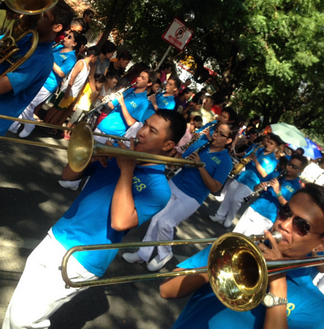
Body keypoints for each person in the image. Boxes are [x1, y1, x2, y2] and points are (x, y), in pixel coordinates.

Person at [2, 109, 186, 329]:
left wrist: (126, 170)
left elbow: (120, 222)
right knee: (16, 310)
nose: (142, 132)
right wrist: (86, 156)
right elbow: (68, 175)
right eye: (145, 124)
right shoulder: (117, 153)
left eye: (152, 131)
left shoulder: (159, 189)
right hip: (59, 234)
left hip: (82, 258)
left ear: (167, 145)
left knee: (25, 320)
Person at [160, 184, 324, 329]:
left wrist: (278, 281)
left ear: (322, 244)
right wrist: (221, 260)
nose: (284, 225)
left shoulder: (314, 304)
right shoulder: (233, 248)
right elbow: (167, 290)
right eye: (285, 212)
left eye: (301, 226)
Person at [122, 122, 235, 271]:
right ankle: (143, 254)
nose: (216, 135)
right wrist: (178, 157)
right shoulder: (202, 143)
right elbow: (182, 159)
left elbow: (215, 187)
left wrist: (200, 166)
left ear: (229, 141)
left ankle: (165, 254)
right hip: (176, 183)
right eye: (216, 131)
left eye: (221, 134)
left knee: (166, 222)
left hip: (193, 196)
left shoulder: (226, 161)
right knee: (156, 218)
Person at [0, 0, 74, 136]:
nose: (34, 14)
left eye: (43, 14)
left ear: (57, 27)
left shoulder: (42, 59)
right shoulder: (25, 37)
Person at [8, 30, 83, 138]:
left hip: (48, 84)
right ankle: (15, 125)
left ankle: (30, 124)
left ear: (74, 44)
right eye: (66, 35)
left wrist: (50, 59)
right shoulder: (58, 47)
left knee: (29, 104)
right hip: (38, 77)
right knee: (25, 102)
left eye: (69, 37)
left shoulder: (71, 58)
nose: (65, 37)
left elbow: (62, 73)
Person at [209, 133, 283, 228]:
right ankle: (219, 216)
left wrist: (255, 161)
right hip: (243, 175)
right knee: (229, 195)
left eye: (271, 143)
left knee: (236, 198)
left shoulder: (273, 160)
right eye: (268, 142)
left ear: (276, 147)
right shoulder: (259, 149)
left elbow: (264, 173)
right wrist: (247, 159)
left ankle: (229, 218)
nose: (268, 144)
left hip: (252, 182)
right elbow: (246, 157)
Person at [232, 154, 308, 236]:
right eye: (289, 164)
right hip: (254, 208)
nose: (290, 167)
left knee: (246, 241)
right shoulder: (275, 174)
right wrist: (260, 186)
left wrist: (278, 192)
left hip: (267, 217)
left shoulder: (298, 188)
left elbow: (289, 207)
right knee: (235, 235)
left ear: (301, 171)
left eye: (294, 167)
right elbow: (255, 188)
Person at [94, 68, 157, 141]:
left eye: (143, 78)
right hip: (103, 125)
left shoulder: (144, 102)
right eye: (139, 76)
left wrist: (122, 103)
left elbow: (131, 123)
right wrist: (108, 99)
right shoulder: (129, 90)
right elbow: (111, 105)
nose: (138, 79)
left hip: (112, 134)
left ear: (149, 83)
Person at [43, 44, 96, 128]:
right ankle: (44, 123)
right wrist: (67, 90)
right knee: (56, 108)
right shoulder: (81, 63)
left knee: (61, 109)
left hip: (74, 93)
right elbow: (72, 77)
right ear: (92, 56)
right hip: (68, 90)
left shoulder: (89, 67)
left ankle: (51, 125)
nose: (96, 60)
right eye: (96, 58)